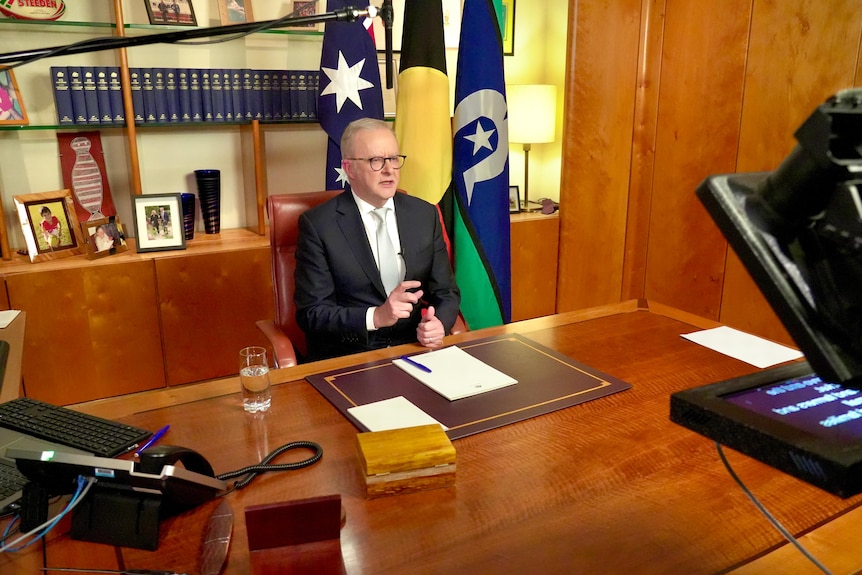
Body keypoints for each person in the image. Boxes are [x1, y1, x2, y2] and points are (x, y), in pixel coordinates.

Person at [294, 118, 461, 362]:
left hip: (414, 348)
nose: (389, 170)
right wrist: (376, 317)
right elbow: (312, 313)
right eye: (375, 161)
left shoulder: (424, 214)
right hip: (350, 356)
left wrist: (439, 324)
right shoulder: (319, 225)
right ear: (349, 168)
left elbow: (446, 291)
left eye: (393, 159)